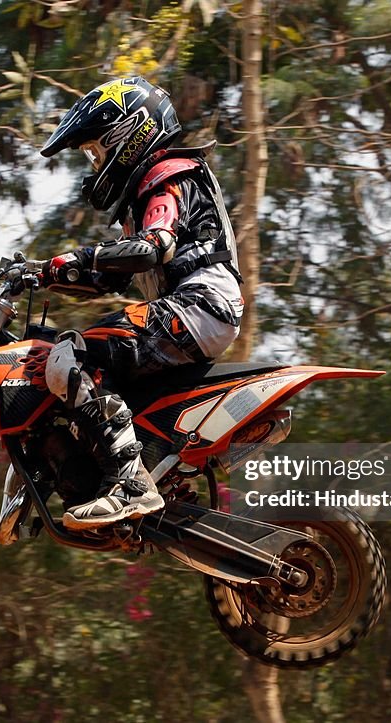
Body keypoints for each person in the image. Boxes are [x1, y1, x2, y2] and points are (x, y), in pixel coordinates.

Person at [38, 76, 244, 531]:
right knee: (83, 363)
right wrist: (47, 274)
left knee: (73, 356)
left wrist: (75, 256)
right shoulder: (152, 188)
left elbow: (154, 245)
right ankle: (133, 472)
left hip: (199, 304)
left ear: (128, 135)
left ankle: (131, 484)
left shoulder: (166, 175)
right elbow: (113, 272)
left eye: (96, 151)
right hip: (195, 310)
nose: (95, 164)